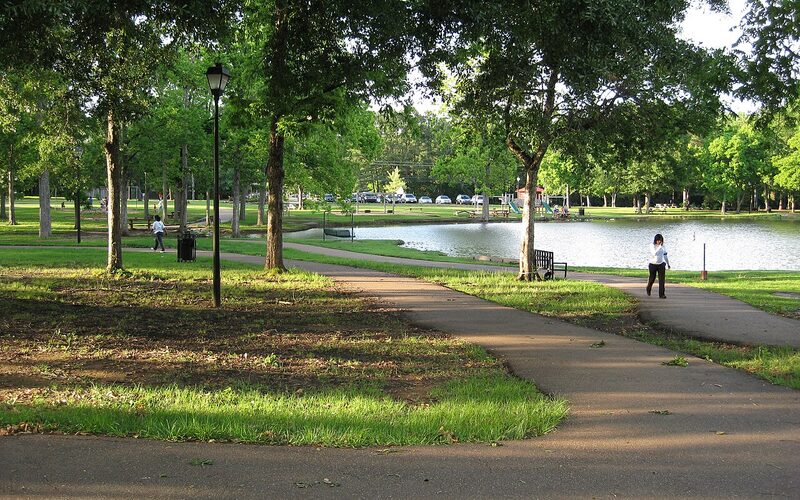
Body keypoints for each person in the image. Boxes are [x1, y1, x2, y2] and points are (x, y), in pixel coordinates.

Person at [646, 233, 671, 298]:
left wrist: (668, 264)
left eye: (660, 240)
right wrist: (659, 247)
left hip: (661, 264)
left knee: (662, 280)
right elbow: (654, 253)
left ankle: (662, 294)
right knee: (652, 278)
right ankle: (648, 288)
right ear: (655, 240)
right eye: (658, 240)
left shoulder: (663, 246)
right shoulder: (652, 245)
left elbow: (665, 256)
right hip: (652, 264)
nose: (659, 241)